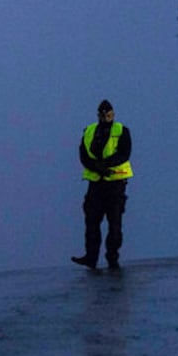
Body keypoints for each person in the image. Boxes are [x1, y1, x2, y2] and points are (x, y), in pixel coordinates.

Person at [71, 99, 133, 271]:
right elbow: (83, 155)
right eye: (102, 114)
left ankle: (112, 258)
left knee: (114, 223)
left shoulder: (122, 131)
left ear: (113, 114)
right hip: (95, 183)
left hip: (115, 183)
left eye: (108, 114)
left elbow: (124, 154)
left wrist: (107, 165)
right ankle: (91, 257)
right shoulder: (89, 131)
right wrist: (96, 167)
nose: (105, 117)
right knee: (91, 222)